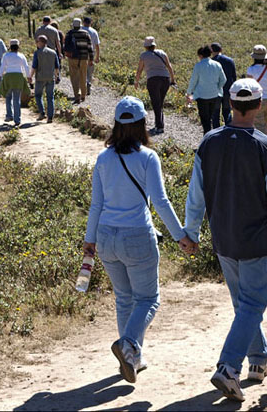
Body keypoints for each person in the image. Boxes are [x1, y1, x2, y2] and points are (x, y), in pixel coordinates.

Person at [182, 78, 267, 402]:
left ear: (230, 103)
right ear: (260, 105)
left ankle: (258, 363)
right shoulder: (264, 146)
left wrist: (191, 232)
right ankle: (228, 368)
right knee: (251, 305)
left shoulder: (209, 142)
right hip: (254, 240)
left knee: (243, 304)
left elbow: (195, 195)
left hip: (222, 238)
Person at [83, 96, 191, 384]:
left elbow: (96, 204)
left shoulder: (103, 158)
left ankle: (133, 358)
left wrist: (89, 239)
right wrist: (180, 235)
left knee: (124, 299)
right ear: (143, 123)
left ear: (116, 125)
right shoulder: (147, 157)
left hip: (105, 236)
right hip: (137, 236)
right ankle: (129, 344)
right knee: (149, 299)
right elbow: (160, 201)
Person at [134, 36, 176, 135]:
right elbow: (169, 67)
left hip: (153, 80)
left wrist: (136, 81)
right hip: (165, 79)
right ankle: (159, 124)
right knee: (160, 102)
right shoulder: (162, 53)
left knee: (156, 103)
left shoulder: (144, 55)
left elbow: (139, 69)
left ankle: (159, 126)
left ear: (146, 46)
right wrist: (173, 79)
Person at [186, 46, 226, 134]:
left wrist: (189, 93)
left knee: (205, 119)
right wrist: (218, 88)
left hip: (202, 96)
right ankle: (212, 137)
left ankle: (207, 137)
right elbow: (223, 79)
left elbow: (193, 80)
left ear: (200, 55)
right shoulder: (217, 64)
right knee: (213, 117)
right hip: (215, 95)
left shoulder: (198, 66)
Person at [246, 45, 267, 136]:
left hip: (258, 100)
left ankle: (261, 146)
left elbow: (249, 87)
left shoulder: (251, 70)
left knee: (258, 126)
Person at [0, 39, 30, 127]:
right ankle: (17, 119)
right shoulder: (21, 56)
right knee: (17, 99)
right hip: (18, 77)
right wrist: (29, 77)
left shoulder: (6, 56)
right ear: (18, 47)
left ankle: (9, 115)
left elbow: (2, 67)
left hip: (8, 77)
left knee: (8, 97)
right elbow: (26, 67)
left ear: (10, 47)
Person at [28, 35, 60, 122]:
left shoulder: (37, 53)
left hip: (40, 78)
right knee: (50, 97)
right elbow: (57, 66)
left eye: (37, 41)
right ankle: (50, 117)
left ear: (41, 42)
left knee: (38, 95)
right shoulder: (53, 52)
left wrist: (30, 76)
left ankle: (42, 113)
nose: (36, 43)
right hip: (50, 77)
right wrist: (57, 76)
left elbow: (34, 66)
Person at [64, 18, 94, 103]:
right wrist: (91, 58)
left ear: (73, 25)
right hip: (84, 57)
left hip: (73, 57)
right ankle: (83, 95)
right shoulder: (85, 33)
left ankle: (77, 95)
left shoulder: (70, 33)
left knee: (74, 77)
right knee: (83, 76)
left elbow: (65, 46)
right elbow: (90, 47)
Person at [210, 43, 236, 127]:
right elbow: (234, 77)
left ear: (211, 51)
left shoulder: (211, 62)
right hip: (227, 90)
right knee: (227, 111)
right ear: (221, 50)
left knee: (215, 113)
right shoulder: (230, 60)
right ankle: (229, 130)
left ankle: (216, 132)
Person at [82, 16, 101, 95]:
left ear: (83, 22)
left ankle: (82, 86)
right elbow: (97, 45)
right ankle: (88, 82)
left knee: (82, 70)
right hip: (91, 54)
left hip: (81, 53)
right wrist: (97, 56)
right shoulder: (94, 32)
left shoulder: (80, 30)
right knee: (89, 71)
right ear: (91, 23)